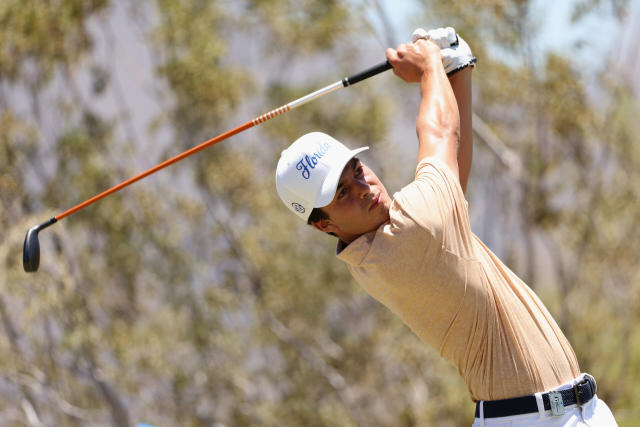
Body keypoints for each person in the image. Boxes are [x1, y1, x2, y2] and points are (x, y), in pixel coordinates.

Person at [274, 27, 617, 426]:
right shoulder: (405, 237)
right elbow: (440, 133)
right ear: (324, 225)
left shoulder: (406, 231)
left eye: (358, 171)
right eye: (342, 193)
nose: (364, 189)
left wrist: (457, 67)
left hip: (578, 411)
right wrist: (430, 65)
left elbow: (453, 169)